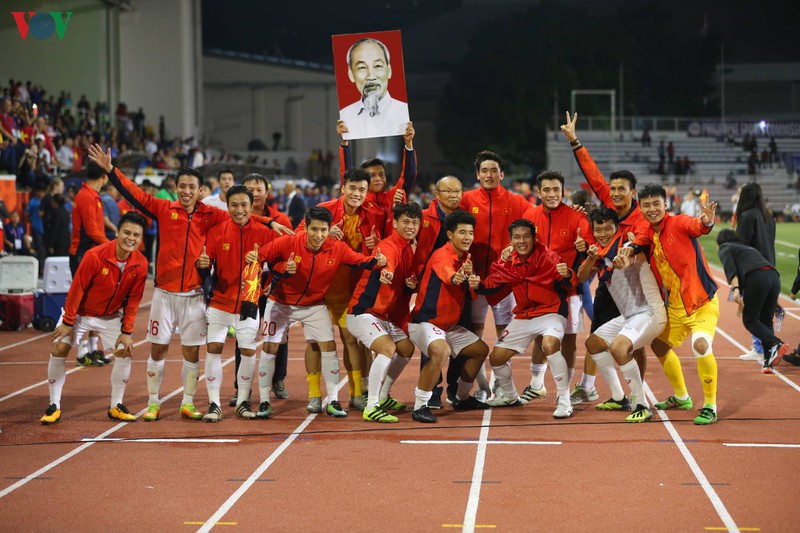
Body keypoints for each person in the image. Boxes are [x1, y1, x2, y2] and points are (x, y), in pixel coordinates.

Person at [88, 143, 291, 422]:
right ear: (175, 188)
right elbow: (135, 193)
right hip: (164, 294)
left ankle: (187, 402)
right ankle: (153, 402)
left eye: (191, 187)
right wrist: (111, 170)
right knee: (158, 349)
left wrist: (269, 223)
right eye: (182, 186)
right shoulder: (162, 209)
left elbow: (242, 215)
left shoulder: (211, 214)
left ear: (200, 190)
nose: (186, 191)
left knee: (192, 352)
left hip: (194, 295)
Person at [259, 206, 386, 418]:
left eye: (323, 230)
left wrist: (377, 260)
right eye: (314, 229)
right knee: (270, 347)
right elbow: (260, 257)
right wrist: (278, 272)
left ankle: (333, 400)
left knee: (329, 347)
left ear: (329, 230)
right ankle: (264, 401)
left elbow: (359, 261)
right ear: (306, 228)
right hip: (281, 303)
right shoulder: (288, 242)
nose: (319, 235)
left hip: (314, 305)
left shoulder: (337, 248)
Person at [560, 111, 649, 404]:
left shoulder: (642, 218)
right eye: (613, 189)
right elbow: (593, 175)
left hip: (636, 289)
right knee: (596, 336)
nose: (616, 193)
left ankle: (637, 392)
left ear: (633, 192)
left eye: (622, 189)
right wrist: (575, 143)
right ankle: (589, 387)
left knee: (634, 344)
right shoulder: (608, 206)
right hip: (609, 284)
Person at [624, 183, 720, 425]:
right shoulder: (648, 230)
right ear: (641, 208)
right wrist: (630, 248)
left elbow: (697, 226)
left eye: (656, 203)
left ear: (665, 205)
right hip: (676, 307)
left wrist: (707, 221)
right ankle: (682, 397)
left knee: (700, 345)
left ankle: (710, 406)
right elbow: (641, 240)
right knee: (659, 345)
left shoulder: (678, 223)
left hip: (701, 303)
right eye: (646, 205)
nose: (652, 209)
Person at [40, 212, 149, 424]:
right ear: (117, 232)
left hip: (110, 316)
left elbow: (134, 300)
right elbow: (77, 288)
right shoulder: (94, 255)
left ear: (141, 238)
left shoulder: (141, 264)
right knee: (59, 348)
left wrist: (127, 331)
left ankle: (116, 405)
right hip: (81, 314)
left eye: (136, 235)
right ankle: (54, 405)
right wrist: (68, 321)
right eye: (126, 232)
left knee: (124, 351)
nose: (131, 238)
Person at [298, 168, 385, 411]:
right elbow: (297, 237)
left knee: (351, 340)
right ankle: (314, 395)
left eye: (362, 190)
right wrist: (323, 237)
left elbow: (385, 247)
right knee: (315, 343)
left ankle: (356, 394)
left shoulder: (373, 215)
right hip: (319, 292)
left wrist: (376, 245)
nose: (357, 194)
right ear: (343, 188)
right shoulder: (323, 210)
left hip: (350, 292)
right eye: (352, 188)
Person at [195, 185, 277, 421]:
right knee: (213, 349)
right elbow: (206, 266)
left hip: (249, 303)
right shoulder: (217, 231)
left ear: (252, 207)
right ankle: (214, 404)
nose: (239, 210)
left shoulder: (264, 233)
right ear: (227, 206)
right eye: (234, 205)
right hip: (220, 302)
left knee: (248, 351)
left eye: (244, 205)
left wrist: (269, 276)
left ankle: (242, 401)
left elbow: (278, 262)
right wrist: (202, 266)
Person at [577, 208, 667, 422]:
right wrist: (590, 259)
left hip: (649, 313)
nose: (603, 233)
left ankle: (641, 404)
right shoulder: (599, 252)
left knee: (619, 348)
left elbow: (628, 257)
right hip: (630, 315)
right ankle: (618, 397)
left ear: (617, 227)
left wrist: (624, 260)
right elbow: (581, 277)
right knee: (593, 343)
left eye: (608, 228)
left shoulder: (626, 244)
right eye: (598, 230)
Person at [481, 219, 575, 419]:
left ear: (534, 239)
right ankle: (510, 396)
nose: (521, 241)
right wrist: (474, 283)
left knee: (550, 345)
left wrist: (567, 275)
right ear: (511, 241)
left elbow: (567, 284)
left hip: (551, 311)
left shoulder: (549, 257)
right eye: (517, 237)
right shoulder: (509, 261)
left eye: (526, 236)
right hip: (525, 314)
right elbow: (492, 284)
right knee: (496, 358)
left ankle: (564, 400)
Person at [459, 150, 532, 401]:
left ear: (501, 174)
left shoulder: (517, 201)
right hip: (473, 280)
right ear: (477, 174)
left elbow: (540, 220)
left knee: (504, 338)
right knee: (474, 338)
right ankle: (482, 386)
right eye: (484, 171)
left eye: (493, 170)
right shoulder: (466, 199)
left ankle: (502, 386)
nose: (489, 175)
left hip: (503, 282)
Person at [407, 210, 491, 424]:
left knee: (480, 350)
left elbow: (470, 294)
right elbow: (447, 273)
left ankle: (461, 398)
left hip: (448, 327)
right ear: (450, 234)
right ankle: (420, 406)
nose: (467, 237)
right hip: (425, 322)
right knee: (441, 351)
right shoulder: (441, 255)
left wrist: (471, 279)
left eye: (470, 233)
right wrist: (457, 277)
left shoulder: (466, 259)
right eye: (462, 232)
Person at [522, 170, 596, 406]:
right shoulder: (530, 216)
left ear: (563, 191)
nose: (552, 194)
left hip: (570, 291)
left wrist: (584, 246)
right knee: (539, 337)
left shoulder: (577, 218)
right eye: (546, 190)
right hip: (539, 289)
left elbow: (592, 250)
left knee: (569, 341)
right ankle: (536, 385)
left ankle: (564, 390)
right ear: (539, 192)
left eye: (556, 189)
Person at [347, 202, 422, 423]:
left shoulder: (409, 248)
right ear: (395, 223)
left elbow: (405, 279)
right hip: (362, 312)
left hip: (382, 315)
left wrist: (410, 284)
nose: (410, 226)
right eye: (405, 222)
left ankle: (383, 395)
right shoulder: (389, 245)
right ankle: (372, 406)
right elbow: (386, 263)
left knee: (406, 349)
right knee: (388, 348)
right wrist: (386, 272)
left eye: (414, 222)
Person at [413, 175, 464, 408]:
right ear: (437, 194)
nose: (453, 195)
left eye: (457, 191)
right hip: (431, 288)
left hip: (458, 288)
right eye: (448, 191)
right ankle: (431, 393)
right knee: (431, 343)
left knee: (459, 340)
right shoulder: (423, 218)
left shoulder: (464, 218)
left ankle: (455, 390)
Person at [716, 230, 788, 373]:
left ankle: (776, 343)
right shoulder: (747, 249)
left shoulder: (725, 247)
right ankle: (768, 362)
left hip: (756, 278)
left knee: (750, 320)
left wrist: (735, 289)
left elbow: (731, 270)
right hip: (774, 277)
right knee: (766, 320)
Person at [69, 160, 111, 367]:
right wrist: (112, 246)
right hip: (82, 254)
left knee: (96, 303)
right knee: (85, 306)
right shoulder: (86, 196)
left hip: (93, 253)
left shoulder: (92, 195)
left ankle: (93, 348)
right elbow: (92, 231)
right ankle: (82, 352)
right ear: (104, 176)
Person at [733, 182, 777, 362]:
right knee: (766, 315)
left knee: (752, 315)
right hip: (771, 270)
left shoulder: (747, 216)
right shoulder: (769, 217)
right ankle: (768, 351)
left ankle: (760, 348)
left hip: (754, 271)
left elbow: (740, 246)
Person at [339, 37, 409, 140]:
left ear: (389, 70)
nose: (371, 76)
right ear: (351, 74)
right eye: (362, 67)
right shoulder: (344, 118)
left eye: (377, 66)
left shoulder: (404, 114)